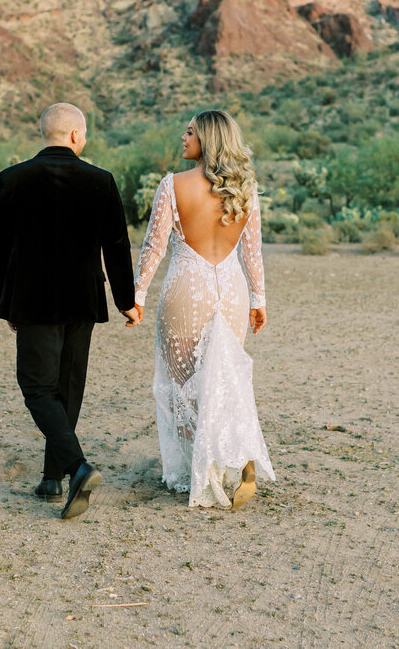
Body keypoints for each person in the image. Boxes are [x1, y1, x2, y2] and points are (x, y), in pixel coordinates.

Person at [0, 102, 139, 520]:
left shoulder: (11, 179)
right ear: (76, 135)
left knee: (37, 387)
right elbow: (116, 246)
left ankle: (75, 469)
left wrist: (7, 303)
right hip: (82, 299)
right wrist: (126, 302)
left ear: (46, 133)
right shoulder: (101, 180)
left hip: (34, 300)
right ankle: (53, 477)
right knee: (67, 386)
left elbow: (1, 249)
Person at [133, 109, 275, 509]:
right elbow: (252, 252)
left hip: (186, 288)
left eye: (190, 132)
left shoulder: (172, 185)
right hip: (232, 290)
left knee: (184, 387)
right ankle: (234, 459)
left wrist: (137, 296)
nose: (183, 137)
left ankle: (203, 472)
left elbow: (154, 247)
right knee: (225, 376)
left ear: (207, 140)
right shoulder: (245, 188)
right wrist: (259, 300)